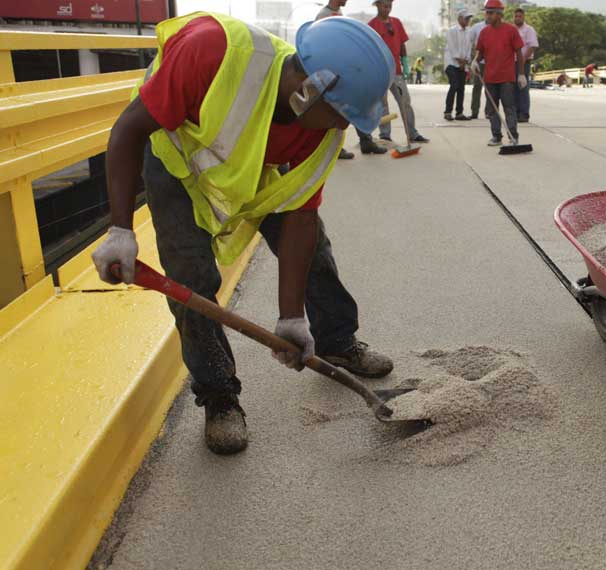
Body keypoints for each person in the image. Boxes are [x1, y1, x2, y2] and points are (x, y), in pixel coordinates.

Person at [89, 13, 398, 456]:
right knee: (191, 276)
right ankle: (219, 396)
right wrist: (120, 229)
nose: (344, 128)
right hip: (176, 162)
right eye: (342, 113)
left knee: (317, 253)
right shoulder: (212, 52)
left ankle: (336, 343)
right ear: (310, 89)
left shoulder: (321, 133)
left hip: (256, 169)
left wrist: (291, 317)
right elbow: (129, 129)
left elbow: (300, 215)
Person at [315, 1, 386, 155]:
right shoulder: (323, 16)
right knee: (336, 109)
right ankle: (334, 148)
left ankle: (366, 141)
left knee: (357, 104)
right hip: (332, 70)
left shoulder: (339, 13)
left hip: (344, 69)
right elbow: (321, 43)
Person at [368, 0, 429, 144]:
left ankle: (412, 133)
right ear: (377, 5)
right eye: (384, 6)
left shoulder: (396, 22)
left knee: (405, 101)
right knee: (382, 105)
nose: (387, 9)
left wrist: (405, 63)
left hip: (396, 71)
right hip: (380, 72)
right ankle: (385, 135)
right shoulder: (371, 26)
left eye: (390, 6)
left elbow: (402, 44)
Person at [472, 0, 525, 147]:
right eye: (486, 12)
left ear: (499, 14)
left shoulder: (511, 30)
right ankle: (496, 136)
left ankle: (513, 136)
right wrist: (476, 61)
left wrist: (521, 74)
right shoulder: (484, 32)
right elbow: (480, 52)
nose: (487, 15)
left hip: (507, 78)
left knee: (509, 107)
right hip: (489, 77)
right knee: (491, 109)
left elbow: (519, 53)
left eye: (490, 12)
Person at [443, 9, 473, 121]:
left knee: (461, 88)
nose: (468, 20)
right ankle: (447, 111)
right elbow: (452, 47)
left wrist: (466, 60)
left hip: (463, 64)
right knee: (454, 85)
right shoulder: (452, 31)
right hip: (451, 63)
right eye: (466, 18)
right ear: (459, 18)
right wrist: (459, 60)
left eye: (469, 18)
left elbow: (469, 48)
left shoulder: (469, 32)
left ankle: (459, 113)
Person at [512, 7, 537, 123]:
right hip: (512, 62)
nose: (517, 18)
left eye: (520, 16)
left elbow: (532, 46)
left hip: (524, 62)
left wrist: (523, 59)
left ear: (524, 17)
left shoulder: (529, 30)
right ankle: (516, 112)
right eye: (516, 16)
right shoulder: (511, 29)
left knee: (523, 87)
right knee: (514, 88)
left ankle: (524, 114)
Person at [467, 18, 488, 119]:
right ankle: (474, 111)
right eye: (488, 12)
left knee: (491, 88)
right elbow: (468, 41)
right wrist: (472, 59)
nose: (490, 15)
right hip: (479, 62)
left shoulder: (499, 27)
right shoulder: (477, 27)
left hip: (492, 63)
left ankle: (489, 112)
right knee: (477, 87)